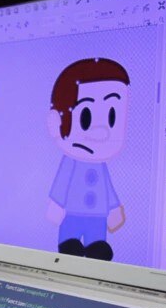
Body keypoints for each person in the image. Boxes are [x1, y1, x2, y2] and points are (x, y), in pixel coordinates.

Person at [46, 58, 129, 261]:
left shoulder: (101, 165)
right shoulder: (71, 161)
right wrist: (56, 203)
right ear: (57, 121)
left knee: (97, 244)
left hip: (98, 216)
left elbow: (107, 188)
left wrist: (114, 208)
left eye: (111, 116)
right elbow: (62, 182)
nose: (101, 131)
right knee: (70, 243)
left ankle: (96, 245)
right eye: (86, 116)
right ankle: (69, 243)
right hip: (72, 212)